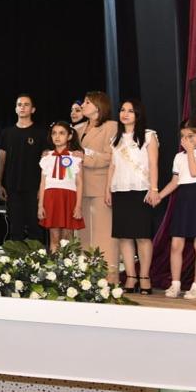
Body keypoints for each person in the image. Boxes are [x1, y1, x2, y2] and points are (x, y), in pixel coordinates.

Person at [157, 118, 196, 300]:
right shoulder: (179, 157)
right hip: (183, 198)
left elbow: (195, 172)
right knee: (176, 244)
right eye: (183, 136)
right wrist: (159, 195)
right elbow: (175, 181)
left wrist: (191, 152)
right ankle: (175, 284)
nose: (186, 140)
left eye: (191, 136)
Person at [106, 99, 158, 294]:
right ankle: (130, 277)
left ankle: (144, 276)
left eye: (130, 111)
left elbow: (153, 164)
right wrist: (107, 189)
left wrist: (154, 189)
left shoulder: (149, 136)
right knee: (124, 236)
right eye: (122, 110)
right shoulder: (115, 139)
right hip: (120, 190)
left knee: (143, 236)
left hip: (141, 190)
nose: (125, 114)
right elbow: (112, 166)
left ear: (138, 114)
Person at [77, 91, 119, 282]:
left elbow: (111, 156)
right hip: (80, 187)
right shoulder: (77, 129)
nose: (83, 105)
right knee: (83, 233)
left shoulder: (111, 127)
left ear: (98, 106)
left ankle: (109, 274)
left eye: (87, 102)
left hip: (101, 185)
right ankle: (85, 274)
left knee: (104, 232)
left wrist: (86, 157)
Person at [0, 94, 47, 243]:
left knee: (35, 227)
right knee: (15, 228)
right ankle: (15, 257)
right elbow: (1, 159)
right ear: (15, 109)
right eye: (19, 105)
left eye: (26, 104)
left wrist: (42, 188)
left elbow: (46, 164)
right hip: (12, 187)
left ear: (33, 109)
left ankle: (36, 258)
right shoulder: (7, 133)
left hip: (34, 187)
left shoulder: (41, 133)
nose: (22, 107)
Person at [37, 122, 84, 251]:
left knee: (67, 237)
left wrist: (78, 206)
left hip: (69, 197)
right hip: (51, 198)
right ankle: (54, 263)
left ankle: (67, 263)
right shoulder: (47, 157)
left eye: (62, 133)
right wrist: (40, 205)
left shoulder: (75, 157)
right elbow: (43, 183)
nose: (57, 136)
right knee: (54, 237)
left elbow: (79, 183)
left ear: (69, 136)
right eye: (54, 133)